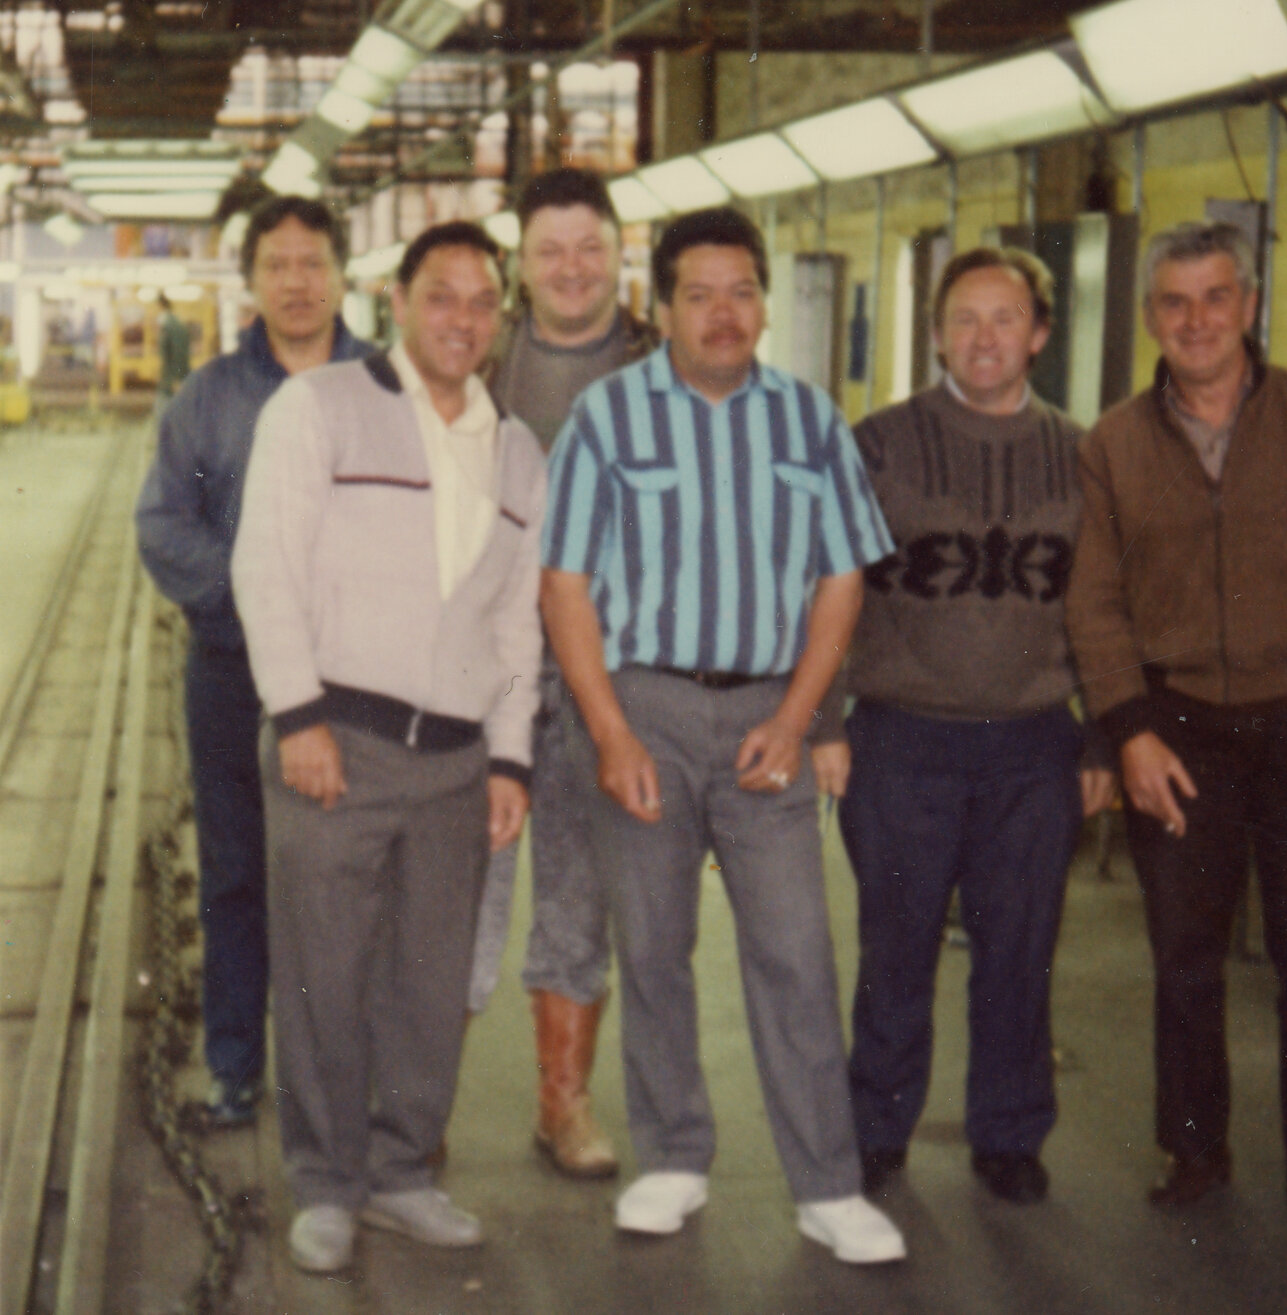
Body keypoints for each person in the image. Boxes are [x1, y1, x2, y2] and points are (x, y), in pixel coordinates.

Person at [540, 207, 906, 1265]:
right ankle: (672, 1157)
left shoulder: (809, 421)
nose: (722, 313)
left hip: (762, 716)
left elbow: (842, 575)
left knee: (794, 951)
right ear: (658, 311)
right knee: (652, 945)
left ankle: (827, 1186)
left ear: (762, 300)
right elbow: (563, 586)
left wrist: (796, 715)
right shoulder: (605, 420)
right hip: (641, 708)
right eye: (697, 294)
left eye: (741, 290)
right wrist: (608, 731)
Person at [1064, 219, 1287, 1234]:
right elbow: (1093, 601)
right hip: (1176, 730)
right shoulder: (1114, 444)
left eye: (1215, 297)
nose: (1196, 320)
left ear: (1248, 306)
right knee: (1182, 953)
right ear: (1149, 318)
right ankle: (1194, 1147)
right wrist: (1128, 727)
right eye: (1174, 302)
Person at [232, 221, 546, 1277]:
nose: (462, 317)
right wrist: (297, 714)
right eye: (441, 295)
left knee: (426, 976)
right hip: (342, 740)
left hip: (457, 762)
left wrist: (508, 756)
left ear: (499, 319)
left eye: (480, 300)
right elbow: (265, 567)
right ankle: (325, 1182)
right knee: (322, 966)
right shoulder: (318, 408)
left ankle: (402, 1172)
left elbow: (515, 633)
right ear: (400, 301)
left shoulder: (515, 450)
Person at [832, 246, 1115, 1206]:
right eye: (964, 318)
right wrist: (826, 719)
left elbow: (1105, 608)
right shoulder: (877, 444)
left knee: (1020, 950)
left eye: (1005, 318)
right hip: (903, 739)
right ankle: (875, 1128)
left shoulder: (1086, 455)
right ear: (939, 332)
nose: (983, 337)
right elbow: (827, 587)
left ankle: (1007, 1133)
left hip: (1033, 744)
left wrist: (1103, 737)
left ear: (1038, 333)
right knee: (896, 945)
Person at [135, 196, 369, 1127]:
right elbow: (164, 526)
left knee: (345, 881)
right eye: (278, 265)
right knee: (235, 870)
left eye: (313, 263)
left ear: (343, 274)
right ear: (252, 281)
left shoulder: (385, 388)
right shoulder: (208, 399)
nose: (297, 282)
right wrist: (264, 605)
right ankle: (236, 1065)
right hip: (232, 672)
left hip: (356, 681)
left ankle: (340, 1076)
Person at [465, 166, 654, 1179]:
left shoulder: (664, 366)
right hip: (485, 668)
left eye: (591, 247)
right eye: (551, 250)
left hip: (607, 678)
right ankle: (417, 1101)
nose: (572, 268)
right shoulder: (478, 365)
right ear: (521, 265)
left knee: (581, 893)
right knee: (457, 887)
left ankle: (562, 1106)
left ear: (619, 252)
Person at [155, 291, 192, 399]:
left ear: (160, 306)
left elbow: (177, 353)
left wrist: (176, 378)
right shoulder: (175, 324)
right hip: (174, 377)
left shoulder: (169, 326)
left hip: (172, 379)